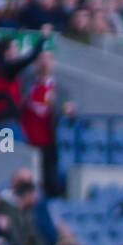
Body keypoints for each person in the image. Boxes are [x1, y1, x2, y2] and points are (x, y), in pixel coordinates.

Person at [20, 51, 75, 199]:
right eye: (41, 59)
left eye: (48, 59)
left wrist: (59, 105)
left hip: (49, 143)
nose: (45, 63)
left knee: (49, 184)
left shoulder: (61, 90)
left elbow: (71, 115)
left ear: (54, 63)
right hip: (25, 142)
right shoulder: (26, 83)